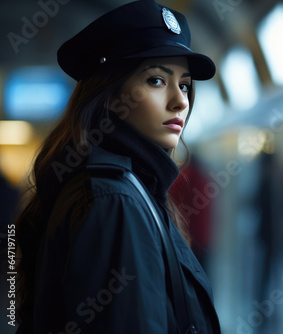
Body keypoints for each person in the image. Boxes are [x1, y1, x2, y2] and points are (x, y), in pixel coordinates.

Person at [14, 1, 220, 333]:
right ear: (111, 95)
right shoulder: (116, 200)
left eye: (183, 84)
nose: (181, 100)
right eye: (156, 80)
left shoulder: (124, 187)